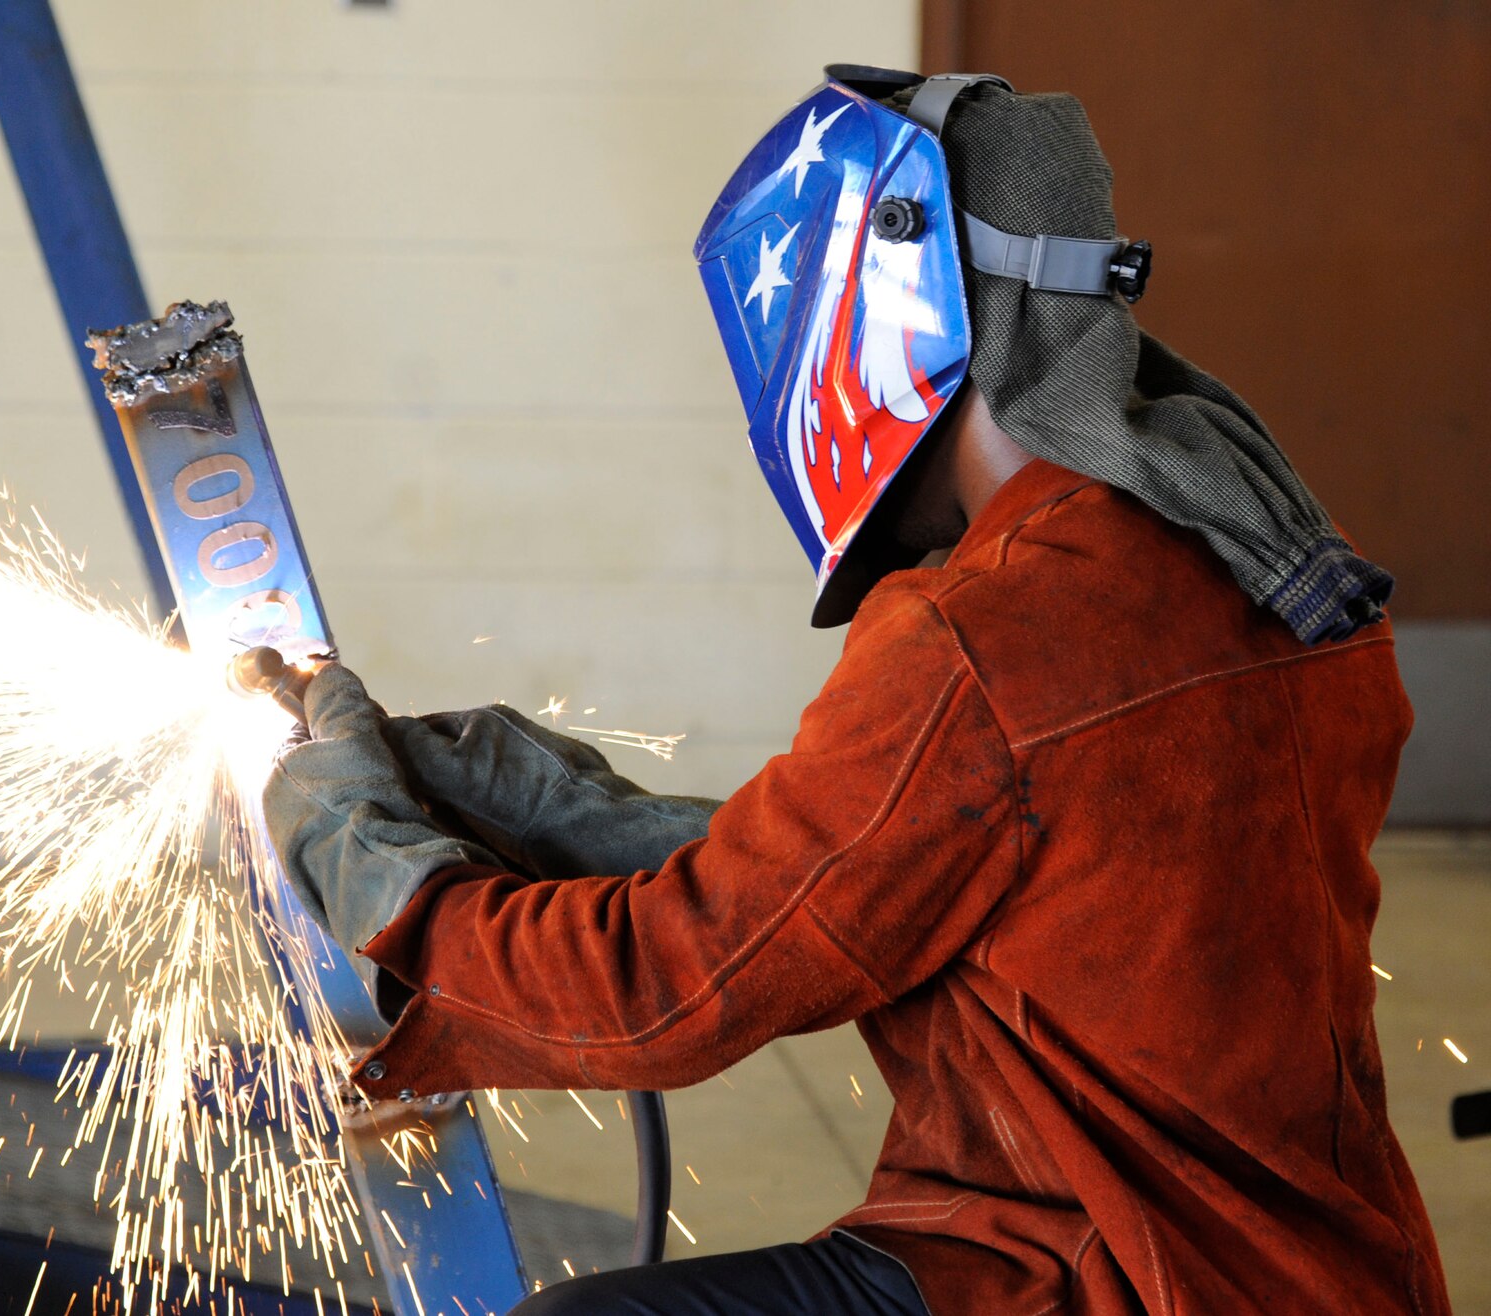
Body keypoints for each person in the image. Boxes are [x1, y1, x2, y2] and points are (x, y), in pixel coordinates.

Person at [264, 68, 1450, 1315]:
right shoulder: (1264, 554)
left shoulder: (984, 630)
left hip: (1089, 1267)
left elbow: (667, 994)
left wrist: (389, 886)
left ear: (888, 298)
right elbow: (997, 862)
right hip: (1324, 1265)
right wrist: (567, 816)